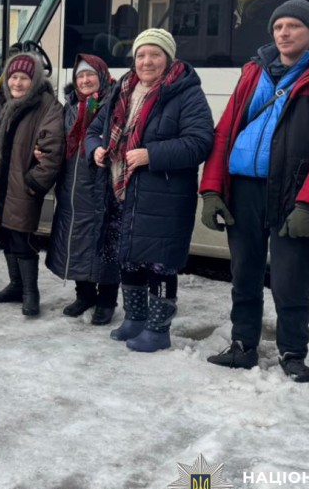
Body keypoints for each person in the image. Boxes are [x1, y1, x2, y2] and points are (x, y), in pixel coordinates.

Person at [201, 0, 309, 381]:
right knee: (245, 273)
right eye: (278, 27)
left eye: (293, 26)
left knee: (291, 278)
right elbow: (226, 132)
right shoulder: (254, 72)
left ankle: (292, 352)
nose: (284, 33)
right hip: (245, 189)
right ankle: (243, 345)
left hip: (294, 193)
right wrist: (211, 189)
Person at [86, 29, 214, 352]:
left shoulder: (185, 92)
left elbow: (200, 143)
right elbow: (95, 130)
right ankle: (135, 319)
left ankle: (158, 329)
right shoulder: (122, 90)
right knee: (128, 257)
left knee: (158, 262)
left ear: (168, 58)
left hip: (163, 197)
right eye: (141, 55)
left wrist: (151, 155)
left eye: (155, 54)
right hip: (122, 191)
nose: (147, 61)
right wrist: (96, 150)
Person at [0, 53, 64, 316]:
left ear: (35, 79)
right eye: (13, 77)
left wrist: (34, 183)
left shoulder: (47, 106)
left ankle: (31, 293)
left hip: (23, 187)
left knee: (21, 239)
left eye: (24, 78)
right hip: (3, 184)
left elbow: (52, 150)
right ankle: (16, 286)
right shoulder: (9, 103)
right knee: (5, 235)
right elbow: (5, 139)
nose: (17, 83)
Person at [46, 53, 119, 325]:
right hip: (72, 187)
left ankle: (107, 300)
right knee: (74, 240)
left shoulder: (114, 105)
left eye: (90, 74)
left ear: (101, 75)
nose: (85, 80)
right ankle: (84, 294)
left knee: (104, 245)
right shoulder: (71, 107)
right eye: (80, 76)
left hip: (102, 188)